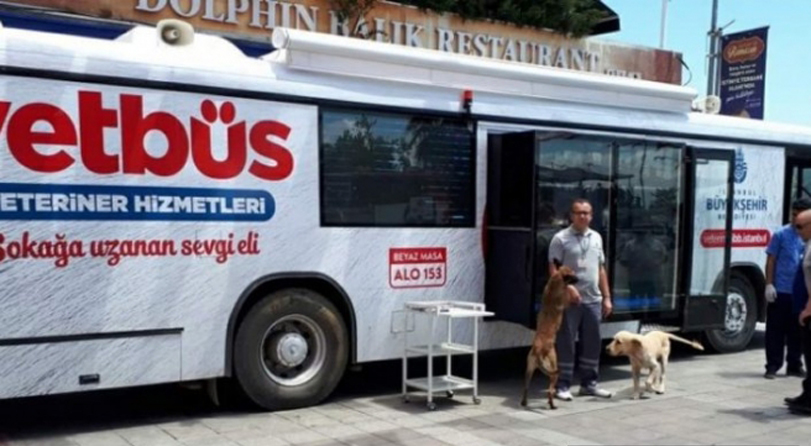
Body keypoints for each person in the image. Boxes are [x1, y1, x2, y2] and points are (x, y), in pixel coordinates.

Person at [548, 198, 613, 400]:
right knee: (566, 342)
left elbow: (600, 269)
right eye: (579, 213)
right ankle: (563, 385)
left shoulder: (596, 238)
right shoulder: (560, 239)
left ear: (592, 216)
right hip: (569, 301)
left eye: (587, 213)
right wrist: (568, 288)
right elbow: (553, 269)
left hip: (593, 299)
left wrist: (607, 297)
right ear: (571, 216)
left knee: (592, 342)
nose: (583, 216)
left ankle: (589, 384)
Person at [764, 199, 811, 379]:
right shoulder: (781, 234)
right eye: (793, 214)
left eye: (799, 215)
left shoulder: (808, 236)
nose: (795, 218)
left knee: (798, 332)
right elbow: (771, 260)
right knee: (775, 331)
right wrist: (769, 284)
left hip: (801, 293)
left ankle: (794, 364)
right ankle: (773, 365)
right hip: (781, 290)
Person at [785, 209, 811, 413]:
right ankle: (807, 395)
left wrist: (808, 309)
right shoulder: (807, 245)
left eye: (801, 227)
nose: (797, 230)